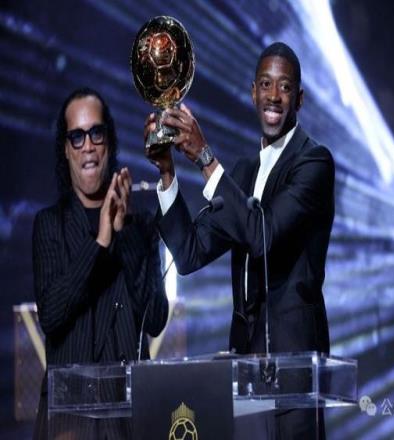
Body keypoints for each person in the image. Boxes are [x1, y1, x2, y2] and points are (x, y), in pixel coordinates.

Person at [148, 42, 334, 439]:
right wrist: (167, 173)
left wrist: (204, 157)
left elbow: (262, 235)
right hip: (243, 367)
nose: (274, 95)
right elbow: (190, 252)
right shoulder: (244, 173)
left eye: (285, 87)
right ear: (253, 92)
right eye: (265, 84)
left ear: (299, 99)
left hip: (294, 368)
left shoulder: (313, 163)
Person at [33, 87, 169, 439]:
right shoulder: (50, 225)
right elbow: (51, 315)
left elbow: (156, 319)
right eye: (76, 137)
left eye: (96, 133)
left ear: (109, 140)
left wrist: (124, 237)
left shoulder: (141, 226)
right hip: (70, 422)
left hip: (131, 421)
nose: (88, 146)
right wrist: (101, 242)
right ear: (65, 150)